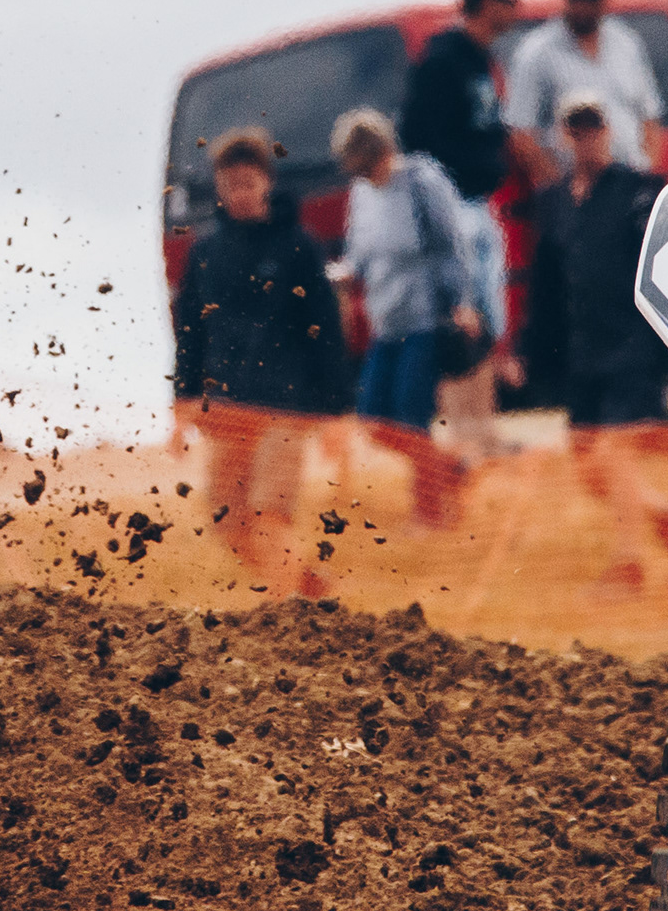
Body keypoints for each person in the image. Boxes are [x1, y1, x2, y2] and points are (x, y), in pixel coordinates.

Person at [522, 100, 668, 590]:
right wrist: (528, 349)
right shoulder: (555, 201)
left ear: (608, 132)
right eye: (576, 130)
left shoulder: (639, 191)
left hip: (631, 346)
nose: (586, 138)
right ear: (565, 137)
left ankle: (629, 564)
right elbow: (545, 284)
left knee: (614, 454)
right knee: (590, 468)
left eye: (593, 128)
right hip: (582, 352)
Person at [167, 130, 348, 592]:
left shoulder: (299, 247)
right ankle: (304, 589)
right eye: (231, 185)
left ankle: (287, 613)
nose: (240, 193)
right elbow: (190, 332)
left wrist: (335, 414)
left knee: (269, 514)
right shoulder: (204, 253)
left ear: (267, 181)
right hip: (227, 407)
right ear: (219, 187)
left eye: (248, 182)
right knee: (227, 521)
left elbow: (326, 331)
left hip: (288, 406)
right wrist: (182, 404)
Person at [330, 108, 493, 528]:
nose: (368, 175)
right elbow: (359, 255)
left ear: (385, 151)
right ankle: (453, 468)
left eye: (370, 165)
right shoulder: (361, 194)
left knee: (410, 418)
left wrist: (463, 301)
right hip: (385, 324)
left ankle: (429, 511)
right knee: (373, 420)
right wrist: (343, 274)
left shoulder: (422, 182)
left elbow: (453, 245)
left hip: (426, 320)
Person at [500, 0, 668, 174]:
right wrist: (557, 189)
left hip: (631, 178)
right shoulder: (537, 52)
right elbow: (522, 133)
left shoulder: (626, 44)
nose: (582, 6)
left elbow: (650, 116)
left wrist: (648, 174)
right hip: (576, 183)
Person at [397, 0, 532, 201]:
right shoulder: (443, 60)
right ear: (488, 3)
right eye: (510, 0)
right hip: (455, 199)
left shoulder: (481, 58)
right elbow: (419, 137)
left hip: (484, 197)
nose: (517, 7)